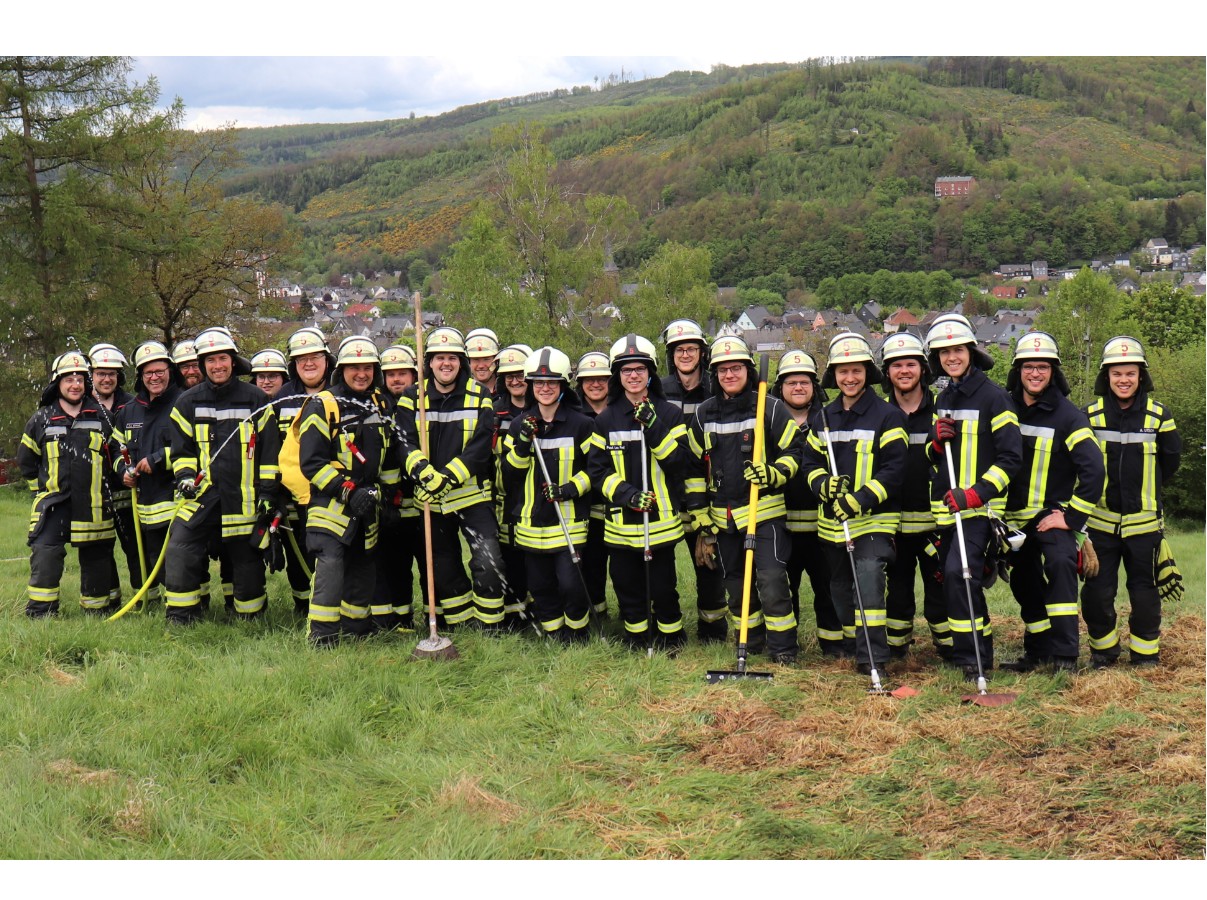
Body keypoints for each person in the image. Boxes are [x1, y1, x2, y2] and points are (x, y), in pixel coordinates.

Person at [685, 334, 802, 665]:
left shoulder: (770, 406)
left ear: (748, 371)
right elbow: (693, 468)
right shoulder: (704, 414)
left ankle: (783, 649)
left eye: (736, 368)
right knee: (735, 587)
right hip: (722, 519)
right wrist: (700, 517)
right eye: (722, 370)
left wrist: (773, 473)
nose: (729, 375)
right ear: (715, 374)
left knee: (771, 581)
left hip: (763, 515)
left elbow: (795, 452)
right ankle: (750, 642)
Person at [998, 332, 1105, 673]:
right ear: (1019, 370)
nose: (1035, 373)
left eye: (1042, 367)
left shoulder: (1068, 416)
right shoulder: (1003, 405)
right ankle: (1038, 652)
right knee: (1023, 581)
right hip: (1010, 519)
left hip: (1049, 516)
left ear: (1053, 371)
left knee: (1059, 566)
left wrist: (1072, 520)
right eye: (1029, 366)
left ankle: (1065, 657)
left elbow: (1094, 470)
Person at [801, 333, 907, 675]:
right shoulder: (824, 417)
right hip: (832, 525)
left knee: (869, 579)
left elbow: (895, 470)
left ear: (867, 372)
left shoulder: (888, 416)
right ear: (834, 375)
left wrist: (858, 501)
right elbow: (809, 464)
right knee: (839, 588)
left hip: (874, 521)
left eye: (857, 371)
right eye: (843, 371)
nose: (850, 378)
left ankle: (873, 658)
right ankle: (853, 644)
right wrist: (822, 483)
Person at [924, 314, 1022, 680]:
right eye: (945, 352)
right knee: (953, 579)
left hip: (979, 512)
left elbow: (1011, 459)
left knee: (960, 575)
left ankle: (976, 659)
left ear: (971, 351)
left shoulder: (996, 399)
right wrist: (935, 444)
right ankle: (968, 656)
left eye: (958, 349)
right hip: (948, 511)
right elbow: (933, 460)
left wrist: (976, 495)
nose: (952, 356)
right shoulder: (944, 398)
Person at [163, 328, 280, 624]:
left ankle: (250, 619)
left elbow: (268, 454)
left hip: (244, 500)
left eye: (223, 358)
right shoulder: (186, 403)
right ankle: (182, 617)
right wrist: (186, 478)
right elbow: (182, 452)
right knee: (180, 549)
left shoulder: (256, 399)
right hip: (201, 498)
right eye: (211, 360)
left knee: (246, 564)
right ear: (202, 365)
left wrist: (267, 496)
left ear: (233, 361)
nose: (218, 365)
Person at [1081, 336, 1182, 668]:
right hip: (1099, 526)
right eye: (1116, 374)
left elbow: (1170, 462)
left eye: (1130, 374)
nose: (1123, 380)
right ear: (1106, 377)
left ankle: (1145, 655)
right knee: (1096, 595)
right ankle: (1104, 653)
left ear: (1141, 376)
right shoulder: (1090, 415)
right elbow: (1079, 464)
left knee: (1145, 596)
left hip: (1144, 527)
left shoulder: (1159, 416)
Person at [396, 326, 505, 630]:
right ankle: (460, 626)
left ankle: (490, 626)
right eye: (439, 357)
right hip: (431, 499)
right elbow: (403, 441)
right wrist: (425, 474)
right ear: (429, 362)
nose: (446, 363)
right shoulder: (411, 397)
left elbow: (481, 445)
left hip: (472, 496)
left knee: (487, 561)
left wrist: (447, 477)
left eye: (453, 358)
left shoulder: (479, 395)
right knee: (444, 568)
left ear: (461, 362)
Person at [587, 335, 691, 651]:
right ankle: (638, 640)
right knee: (627, 586)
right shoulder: (605, 419)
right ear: (618, 377)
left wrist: (654, 426)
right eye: (626, 370)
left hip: (660, 524)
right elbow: (597, 472)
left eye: (640, 369)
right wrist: (627, 495)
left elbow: (679, 464)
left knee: (663, 587)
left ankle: (671, 639)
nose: (633, 375)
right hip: (621, 525)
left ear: (650, 373)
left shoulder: (670, 414)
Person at [299, 337, 398, 647]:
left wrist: (392, 497)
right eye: (354, 368)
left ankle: (356, 630)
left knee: (363, 563)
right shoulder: (322, 404)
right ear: (341, 370)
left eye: (367, 368)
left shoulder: (381, 403)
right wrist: (347, 490)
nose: (361, 374)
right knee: (331, 562)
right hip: (330, 504)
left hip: (368, 503)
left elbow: (390, 455)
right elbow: (312, 463)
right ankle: (323, 636)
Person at [501, 346, 595, 642]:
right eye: (538, 383)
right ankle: (554, 634)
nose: (544, 388)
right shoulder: (519, 425)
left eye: (551, 383)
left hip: (569, 521)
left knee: (571, 584)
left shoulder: (582, 424)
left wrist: (567, 490)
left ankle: (577, 634)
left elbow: (596, 470)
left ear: (562, 386)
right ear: (530, 386)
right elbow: (510, 474)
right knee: (539, 586)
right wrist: (521, 445)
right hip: (531, 524)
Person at [18, 351, 117, 616]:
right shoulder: (41, 418)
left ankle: (96, 612)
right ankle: (42, 611)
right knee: (46, 553)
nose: (75, 384)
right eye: (68, 379)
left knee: (96, 556)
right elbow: (26, 462)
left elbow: (116, 454)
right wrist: (39, 492)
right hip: (53, 503)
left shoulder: (101, 417)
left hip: (93, 502)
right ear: (57, 383)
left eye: (80, 379)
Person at [878, 331, 950, 660]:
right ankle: (896, 651)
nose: (904, 371)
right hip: (892, 523)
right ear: (886, 372)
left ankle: (949, 648)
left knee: (941, 588)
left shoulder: (943, 411)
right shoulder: (877, 415)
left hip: (936, 523)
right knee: (898, 593)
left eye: (910, 364)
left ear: (923, 368)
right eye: (896, 365)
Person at [661, 318, 727, 643]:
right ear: (671, 355)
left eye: (691, 348)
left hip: (708, 493)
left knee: (709, 565)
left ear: (702, 352)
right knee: (662, 567)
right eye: (679, 349)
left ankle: (712, 632)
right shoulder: (658, 390)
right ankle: (668, 630)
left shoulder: (717, 389)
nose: (685, 354)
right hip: (669, 494)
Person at [772, 349, 840, 657]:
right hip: (782, 523)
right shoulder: (769, 420)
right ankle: (787, 647)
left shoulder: (829, 420)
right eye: (791, 383)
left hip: (821, 524)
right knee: (786, 590)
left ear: (815, 386)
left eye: (804, 382)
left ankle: (833, 644)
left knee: (827, 587)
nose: (798, 388)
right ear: (780, 387)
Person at [111, 341, 184, 608]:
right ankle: (161, 605)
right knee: (153, 559)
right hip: (144, 504)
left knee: (181, 558)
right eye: (147, 373)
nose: (154, 377)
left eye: (159, 371)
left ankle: (191, 606)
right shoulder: (130, 410)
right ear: (140, 376)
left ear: (170, 371)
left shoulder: (183, 401)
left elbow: (195, 446)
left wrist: (159, 459)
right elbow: (116, 448)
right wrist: (124, 471)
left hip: (177, 500)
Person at [274, 327, 336, 614]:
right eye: (301, 359)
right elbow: (269, 446)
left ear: (327, 360)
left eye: (314, 357)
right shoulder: (281, 398)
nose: (308, 364)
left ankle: (333, 604)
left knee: (331, 552)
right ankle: (303, 606)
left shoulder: (339, 393)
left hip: (333, 492)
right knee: (298, 550)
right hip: (292, 494)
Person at [372, 344, 425, 631]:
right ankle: (399, 620)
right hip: (389, 504)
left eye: (402, 373)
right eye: (390, 374)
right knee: (395, 566)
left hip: (422, 502)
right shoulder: (375, 407)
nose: (396, 380)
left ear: (414, 375)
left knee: (430, 565)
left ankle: (435, 617)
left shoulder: (424, 404)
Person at [89, 343, 137, 608]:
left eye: (112, 373)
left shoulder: (131, 405)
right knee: (101, 548)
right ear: (91, 375)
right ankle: (110, 600)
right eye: (100, 373)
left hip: (129, 490)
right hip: (96, 491)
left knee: (134, 546)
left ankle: (146, 597)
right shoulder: (82, 406)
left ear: (119, 376)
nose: (106, 378)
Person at [491, 344, 535, 630]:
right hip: (505, 496)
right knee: (510, 557)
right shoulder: (495, 412)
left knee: (537, 558)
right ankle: (515, 617)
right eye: (509, 376)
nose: (515, 380)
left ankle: (539, 610)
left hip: (537, 493)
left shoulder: (542, 406)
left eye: (520, 374)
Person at [574, 349, 612, 622]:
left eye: (602, 378)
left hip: (621, 502)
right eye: (589, 379)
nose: (595, 383)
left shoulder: (623, 410)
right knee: (592, 565)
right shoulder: (574, 415)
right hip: (589, 504)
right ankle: (597, 615)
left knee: (625, 568)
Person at [466, 329, 501, 398]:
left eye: (486, 359)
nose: (481, 366)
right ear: (468, 362)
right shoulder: (460, 393)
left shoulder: (509, 391)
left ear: (496, 361)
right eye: (476, 359)